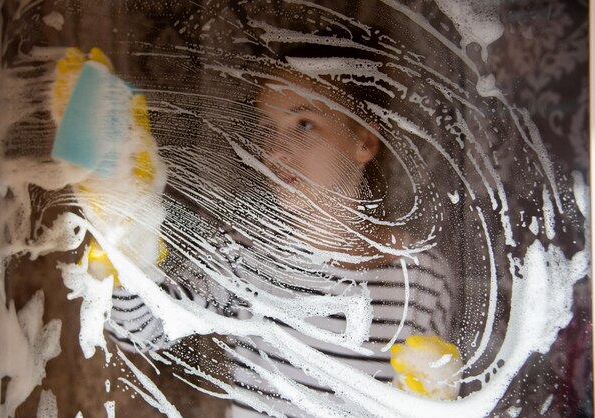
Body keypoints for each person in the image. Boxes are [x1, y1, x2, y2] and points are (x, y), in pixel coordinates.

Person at [60, 47, 462, 417]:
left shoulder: (425, 280)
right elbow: (141, 331)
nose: (275, 150)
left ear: (363, 141)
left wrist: (433, 399)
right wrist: (125, 231)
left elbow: (428, 398)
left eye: (304, 123)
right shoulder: (246, 257)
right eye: (269, 126)